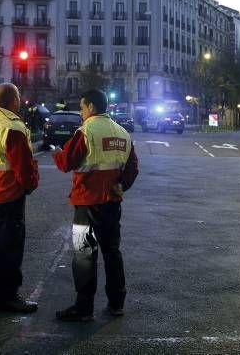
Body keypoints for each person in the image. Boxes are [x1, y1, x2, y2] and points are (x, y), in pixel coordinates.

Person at [52, 88, 139, 321]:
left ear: (91, 107)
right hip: (112, 203)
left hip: (86, 203)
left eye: (81, 107)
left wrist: (57, 152)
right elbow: (132, 169)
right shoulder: (122, 133)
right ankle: (117, 303)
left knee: (84, 254)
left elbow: (66, 163)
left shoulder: (86, 132)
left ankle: (84, 308)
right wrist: (120, 186)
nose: (80, 113)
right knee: (112, 252)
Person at [0, 83, 40, 313]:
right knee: (10, 248)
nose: (20, 101)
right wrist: (31, 184)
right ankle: (9, 296)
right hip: (10, 195)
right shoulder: (12, 127)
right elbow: (22, 167)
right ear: (13, 100)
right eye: (19, 96)